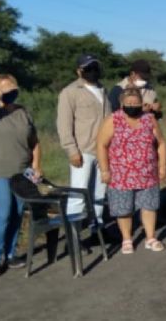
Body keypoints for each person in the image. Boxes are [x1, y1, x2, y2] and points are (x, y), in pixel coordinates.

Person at [0, 74, 42, 277]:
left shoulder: (23, 112)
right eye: (3, 88)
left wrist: (36, 166)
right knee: (2, 214)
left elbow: (34, 142)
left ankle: (11, 253)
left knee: (17, 214)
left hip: (21, 172)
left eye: (12, 88)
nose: (9, 92)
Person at [97, 88, 166, 254]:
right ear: (122, 104)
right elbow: (101, 145)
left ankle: (150, 237)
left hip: (147, 172)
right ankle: (127, 239)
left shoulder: (149, 119)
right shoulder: (113, 120)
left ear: (142, 104)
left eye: (136, 103)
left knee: (149, 205)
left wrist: (163, 165)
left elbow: (161, 143)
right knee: (124, 208)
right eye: (129, 103)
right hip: (121, 173)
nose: (132, 106)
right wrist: (105, 170)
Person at [57, 53, 112, 224]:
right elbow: (64, 124)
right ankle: (73, 233)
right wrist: (71, 150)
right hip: (83, 150)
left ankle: (97, 228)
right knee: (78, 195)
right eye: (88, 68)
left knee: (99, 194)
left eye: (95, 67)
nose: (92, 71)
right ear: (79, 71)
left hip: (104, 150)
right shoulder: (70, 92)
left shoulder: (103, 90)